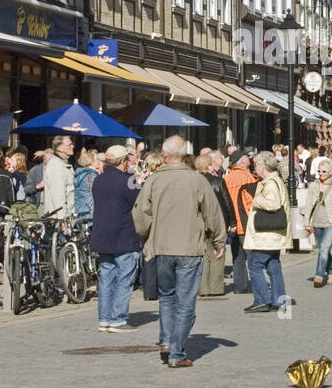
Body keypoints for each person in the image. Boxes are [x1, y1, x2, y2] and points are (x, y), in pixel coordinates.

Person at [133, 136, 227, 367]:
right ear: (184, 155)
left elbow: (140, 213)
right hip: (189, 248)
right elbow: (212, 212)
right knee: (185, 301)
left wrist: (147, 235)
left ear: (165, 156)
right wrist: (219, 241)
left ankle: (166, 341)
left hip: (162, 247)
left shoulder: (154, 180)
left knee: (167, 297)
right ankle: (176, 353)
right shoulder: (196, 179)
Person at [90, 145, 143, 334]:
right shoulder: (130, 180)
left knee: (106, 278)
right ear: (123, 161)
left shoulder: (98, 180)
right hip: (123, 235)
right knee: (124, 277)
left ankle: (104, 319)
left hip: (102, 234)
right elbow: (140, 204)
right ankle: (118, 319)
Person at [242, 151, 289, 312]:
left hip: (267, 234)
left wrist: (254, 200)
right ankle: (279, 299)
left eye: (256, 165)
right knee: (273, 265)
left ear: (263, 166)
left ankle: (262, 299)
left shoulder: (271, 183)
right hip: (273, 234)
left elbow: (273, 204)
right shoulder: (274, 180)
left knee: (254, 264)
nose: (255, 168)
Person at [193, 154, 234, 297]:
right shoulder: (218, 181)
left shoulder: (193, 182)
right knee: (218, 253)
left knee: (203, 254)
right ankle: (216, 288)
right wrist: (232, 221)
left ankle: (203, 288)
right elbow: (227, 203)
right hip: (218, 220)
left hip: (199, 222)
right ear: (208, 165)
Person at [303, 158, 332, 287]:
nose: (321, 174)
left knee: (324, 249)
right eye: (319, 171)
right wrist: (306, 222)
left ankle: (319, 275)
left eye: (324, 171)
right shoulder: (313, 186)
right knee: (323, 249)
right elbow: (308, 205)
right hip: (316, 222)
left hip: (331, 222)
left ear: (331, 172)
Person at [223, 151, 257, 295]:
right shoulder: (248, 177)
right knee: (252, 256)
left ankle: (240, 286)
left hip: (232, 222)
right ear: (241, 162)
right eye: (246, 158)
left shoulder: (227, 178)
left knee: (237, 256)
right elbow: (253, 200)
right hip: (245, 220)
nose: (249, 160)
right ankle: (256, 285)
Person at [41, 138, 75, 218]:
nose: (73, 146)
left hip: (68, 216)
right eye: (70, 144)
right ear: (60, 148)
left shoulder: (63, 164)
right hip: (59, 219)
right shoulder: (56, 166)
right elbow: (58, 197)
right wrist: (62, 219)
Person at [73, 148, 100, 227]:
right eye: (96, 159)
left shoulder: (80, 174)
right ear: (91, 161)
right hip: (91, 212)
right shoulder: (92, 176)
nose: (99, 161)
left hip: (81, 210)